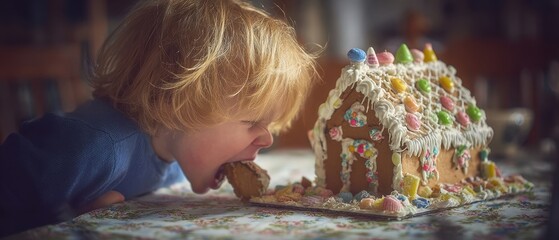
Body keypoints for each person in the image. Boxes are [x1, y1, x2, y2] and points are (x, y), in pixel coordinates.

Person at [0, 0, 318, 237]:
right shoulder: (90, 147)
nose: (268, 139)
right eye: (252, 121)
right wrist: (64, 218)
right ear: (178, 99)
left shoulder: (183, 153)